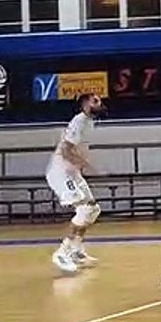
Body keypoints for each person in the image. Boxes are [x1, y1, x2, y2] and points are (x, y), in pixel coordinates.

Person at [46, 93, 104, 273]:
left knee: (93, 209)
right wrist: (85, 164)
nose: (100, 103)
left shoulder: (89, 122)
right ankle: (62, 252)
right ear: (86, 104)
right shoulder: (78, 121)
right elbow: (65, 151)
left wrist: (81, 166)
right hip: (61, 173)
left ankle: (77, 251)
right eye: (96, 101)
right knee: (84, 209)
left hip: (73, 173)